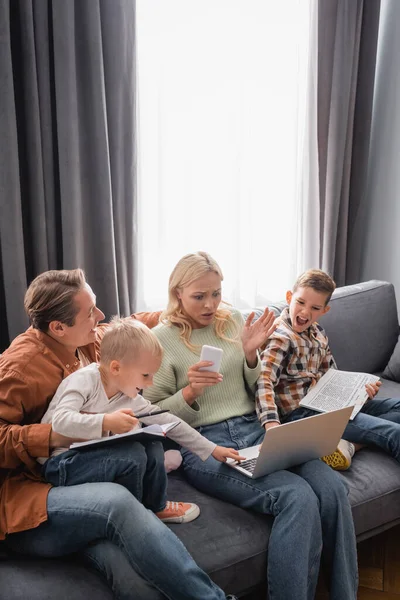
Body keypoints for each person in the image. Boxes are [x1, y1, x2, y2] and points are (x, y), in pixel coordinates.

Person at [0, 268, 237, 600]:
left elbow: (132, 324)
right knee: (119, 503)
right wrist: (60, 435)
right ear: (58, 327)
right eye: (89, 313)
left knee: (140, 579)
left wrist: (188, 304)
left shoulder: (95, 339)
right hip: (29, 502)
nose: (99, 316)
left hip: (81, 482)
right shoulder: (19, 368)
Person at [143, 251, 359, 600]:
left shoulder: (232, 321)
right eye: (200, 296)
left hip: (255, 427)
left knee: (331, 488)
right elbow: (152, 417)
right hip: (205, 444)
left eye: (216, 292)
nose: (211, 304)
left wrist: (248, 357)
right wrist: (190, 391)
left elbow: (256, 386)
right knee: (297, 497)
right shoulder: (159, 339)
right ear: (177, 293)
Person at [39, 316, 243, 524]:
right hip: (61, 465)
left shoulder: (129, 396)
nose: (151, 383)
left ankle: (156, 507)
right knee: (133, 454)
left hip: (90, 456)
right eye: (146, 375)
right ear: (116, 368)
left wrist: (211, 449)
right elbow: (60, 421)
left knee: (153, 443)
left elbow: (167, 420)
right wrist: (106, 422)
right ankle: (136, 518)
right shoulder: (85, 380)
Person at [257, 268, 400, 473]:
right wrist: (271, 425)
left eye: (315, 308)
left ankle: (348, 443)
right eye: (300, 302)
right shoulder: (281, 338)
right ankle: (346, 438)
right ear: (289, 297)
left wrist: (361, 395)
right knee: (394, 433)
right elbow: (264, 381)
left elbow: (332, 377)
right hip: (303, 416)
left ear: (325, 310)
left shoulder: (318, 334)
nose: (305, 312)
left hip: (328, 405)